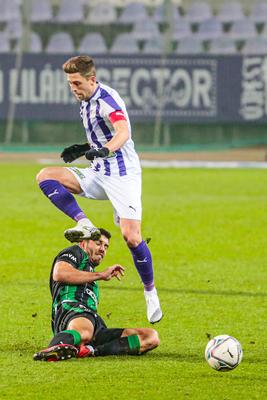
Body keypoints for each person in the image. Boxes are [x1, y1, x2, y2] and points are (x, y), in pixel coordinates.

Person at [36, 55, 162, 324]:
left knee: (131, 237)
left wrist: (106, 149)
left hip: (123, 175)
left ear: (91, 80)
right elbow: (100, 133)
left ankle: (150, 292)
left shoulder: (108, 99)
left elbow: (122, 132)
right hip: (98, 173)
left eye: (77, 83)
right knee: (45, 176)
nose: (74, 88)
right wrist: (84, 147)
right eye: (70, 84)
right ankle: (85, 224)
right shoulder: (85, 102)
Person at [33, 228, 160, 361]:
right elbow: (59, 273)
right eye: (98, 243)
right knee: (85, 332)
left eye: (106, 246)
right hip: (71, 310)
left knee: (151, 337)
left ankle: (92, 350)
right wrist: (101, 275)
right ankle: (53, 348)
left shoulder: (89, 273)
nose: (103, 249)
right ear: (84, 242)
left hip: (94, 322)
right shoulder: (76, 252)